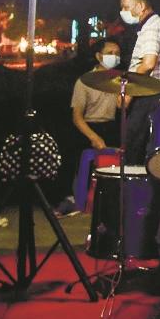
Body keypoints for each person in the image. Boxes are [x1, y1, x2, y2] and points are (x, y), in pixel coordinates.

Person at [61, 39, 122, 214]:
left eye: (117, 54)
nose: (114, 57)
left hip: (111, 126)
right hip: (89, 127)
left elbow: (121, 106)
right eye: (110, 53)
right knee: (84, 165)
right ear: (98, 56)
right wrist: (93, 137)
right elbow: (77, 117)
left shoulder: (118, 79)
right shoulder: (84, 81)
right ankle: (78, 200)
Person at [118, 0, 160, 164]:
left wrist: (129, 92)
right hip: (155, 94)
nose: (123, 12)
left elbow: (149, 63)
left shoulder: (151, 27)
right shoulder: (154, 24)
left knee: (134, 147)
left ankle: (132, 180)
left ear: (141, 5)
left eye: (126, 7)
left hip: (148, 95)